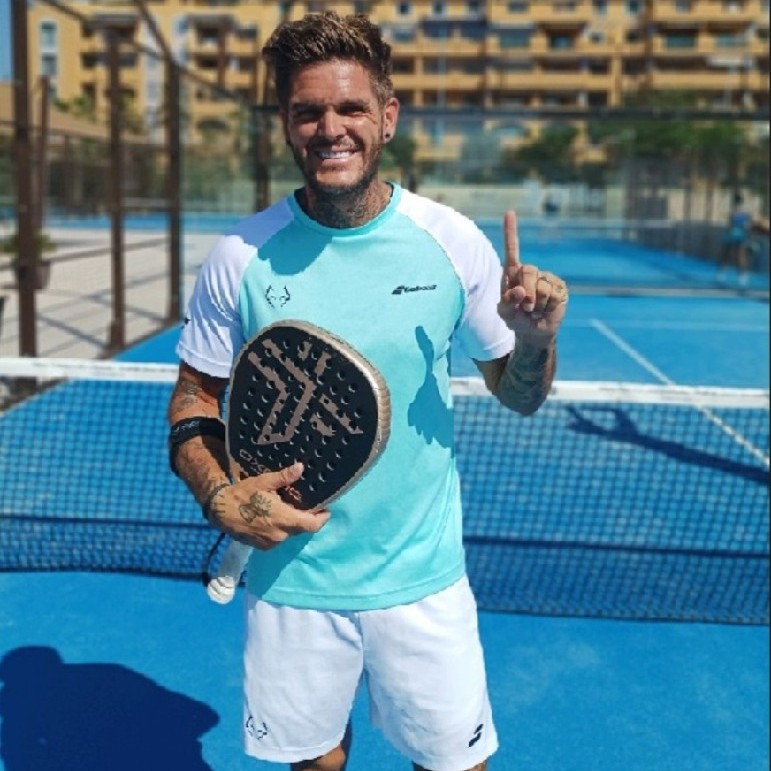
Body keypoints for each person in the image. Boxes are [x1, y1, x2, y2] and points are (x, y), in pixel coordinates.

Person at [167, 11, 568, 771]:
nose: (330, 129)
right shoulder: (239, 256)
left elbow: (520, 396)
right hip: (291, 581)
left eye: (350, 108)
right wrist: (220, 498)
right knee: (316, 763)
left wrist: (536, 342)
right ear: (286, 123)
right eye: (307, 112)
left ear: (387, 116)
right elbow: (194, 402)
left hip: (423, 583)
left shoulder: (452, 241)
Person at [717, 192, 769, 286]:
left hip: (740, 237)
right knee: (727, 254)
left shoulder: (745, 213)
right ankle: (723, 274)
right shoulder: (733, 212)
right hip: (731, 236)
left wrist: (750, 230)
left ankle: (741, 276)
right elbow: (730, 225)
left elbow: (750, 225)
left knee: (740, 256)